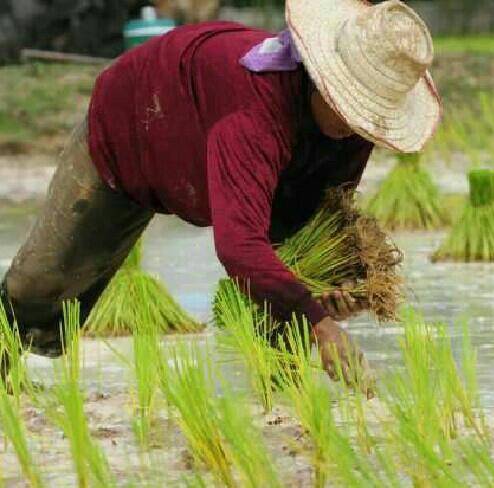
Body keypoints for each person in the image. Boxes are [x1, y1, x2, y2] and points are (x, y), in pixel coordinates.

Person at [0, 0, 440, 385]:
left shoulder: (350, 132)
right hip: (133, 124)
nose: (355, 126)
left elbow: (315, 219)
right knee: (38, 284)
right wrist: (321, 325)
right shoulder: (254, 116)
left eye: (367, 117)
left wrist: (328, 291)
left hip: (204, 152)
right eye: (350, 109)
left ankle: (280, 397)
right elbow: (239, 248)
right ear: (321, 78)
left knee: (283, 290)